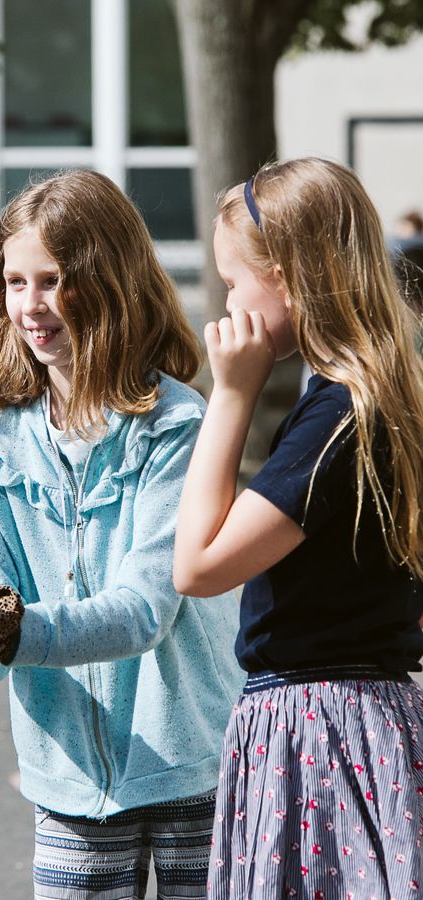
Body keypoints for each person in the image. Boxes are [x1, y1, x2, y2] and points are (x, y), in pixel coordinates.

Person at [0, 169, 244, 900]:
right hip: (67, 776)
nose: (29, 307)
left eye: (53, 281)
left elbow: (145, 607)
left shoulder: (176, 426)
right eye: (14, 282)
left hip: (195, 764)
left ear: (110, 280)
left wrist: (0, 629)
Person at [173, 157, 423, 898]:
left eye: (233, 281)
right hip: (368, 718)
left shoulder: (338, 417)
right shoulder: (383, 400)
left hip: (319, 730)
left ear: (283, 275)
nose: (226, 302)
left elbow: (197, 565)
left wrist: (231, 395)